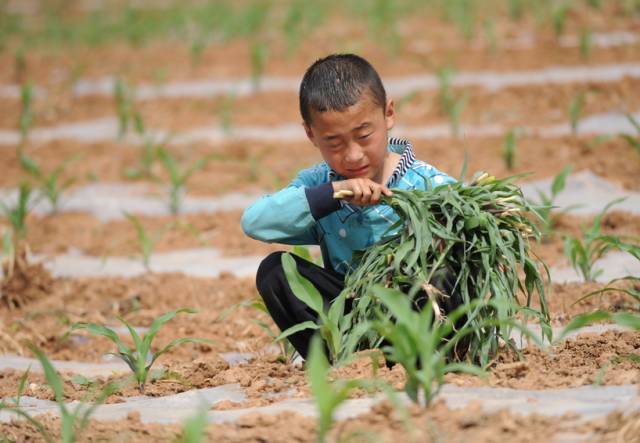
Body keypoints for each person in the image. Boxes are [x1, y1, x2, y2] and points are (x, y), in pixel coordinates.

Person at [241, 53, 455, 361]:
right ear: (311, 134)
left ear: (389, 114)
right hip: (352, 319)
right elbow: (255, 222)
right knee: (274, 271)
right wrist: (332, 193)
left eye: (364, 135)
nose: (353, 155)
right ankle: (338, 363)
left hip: (419, 316)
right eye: (335, 143)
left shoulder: (429, 185)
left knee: (448, 268)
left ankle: (435, 355)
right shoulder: (320, 186)